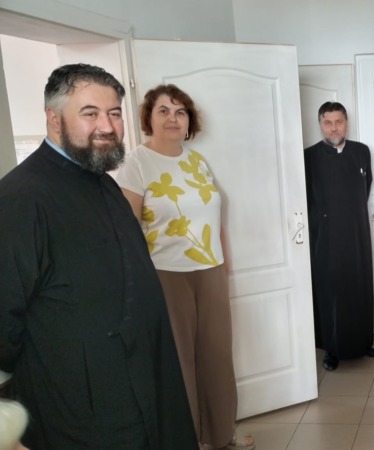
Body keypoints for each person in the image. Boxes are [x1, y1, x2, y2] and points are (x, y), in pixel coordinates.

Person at [0, 64, 196, 448]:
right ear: (54, 118)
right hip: (79, 405)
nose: (107, 126)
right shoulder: (21, 198)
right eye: (90, 113)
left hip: (142, 379)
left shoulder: (104, 183)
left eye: (115, 113)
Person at [114, 84, 252, 450]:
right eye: (164, 110)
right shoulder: (135, 163)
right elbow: (128, 231)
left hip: (210, 271)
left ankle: (221, 434)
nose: (173, 118)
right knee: (179, 363)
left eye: (180, 112)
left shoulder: (196, 161)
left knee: (217, 357)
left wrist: (223, 264)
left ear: (189, 121)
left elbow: (215, 217)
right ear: (149, 117)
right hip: (165, 275)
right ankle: (189, 439)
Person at [305, 101, 374, 371]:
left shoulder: (361, 152)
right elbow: (306, 197)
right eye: (328, 123)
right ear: (320, 124)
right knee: (331, 290)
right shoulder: (309, 156)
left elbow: (365, 187)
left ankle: (363, 343)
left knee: (360, 286)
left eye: (338, 122)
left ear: (346, 123)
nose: (334, 128)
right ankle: (332, 348)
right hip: (326, 236)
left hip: (357, 231)